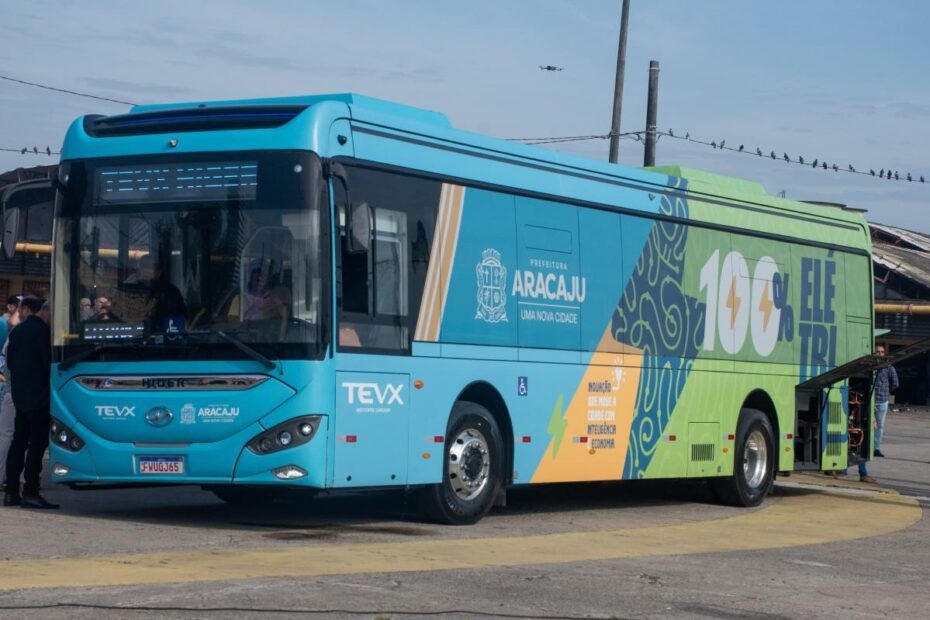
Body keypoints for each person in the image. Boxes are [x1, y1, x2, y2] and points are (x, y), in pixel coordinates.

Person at [3, 296, 57, 509]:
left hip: (20, 395)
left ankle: (11, 492)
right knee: (37, 445)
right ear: (47, 313)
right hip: (39, 397)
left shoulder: (18, 331)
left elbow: (10, 362)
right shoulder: (42, 332)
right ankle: (31, 491)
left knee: (18, 443)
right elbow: (47, 366)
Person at [0, 297, 19, 492]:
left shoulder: (12, 337)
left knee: (6, 435)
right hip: (17, 392)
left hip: (11, 391)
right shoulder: (17, 334)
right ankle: (19, 478)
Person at [873, 344, 898, 458]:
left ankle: (876, 448)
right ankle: (866, 447)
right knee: (868, 424)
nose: (880, 354)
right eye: (877, 351)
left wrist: (886, 392)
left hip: (882, 400)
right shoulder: (870, 366)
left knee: (880, 425)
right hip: (870, 400)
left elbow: (895, 383)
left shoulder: (889, 367)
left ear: (885, 354)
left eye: (882, 352)